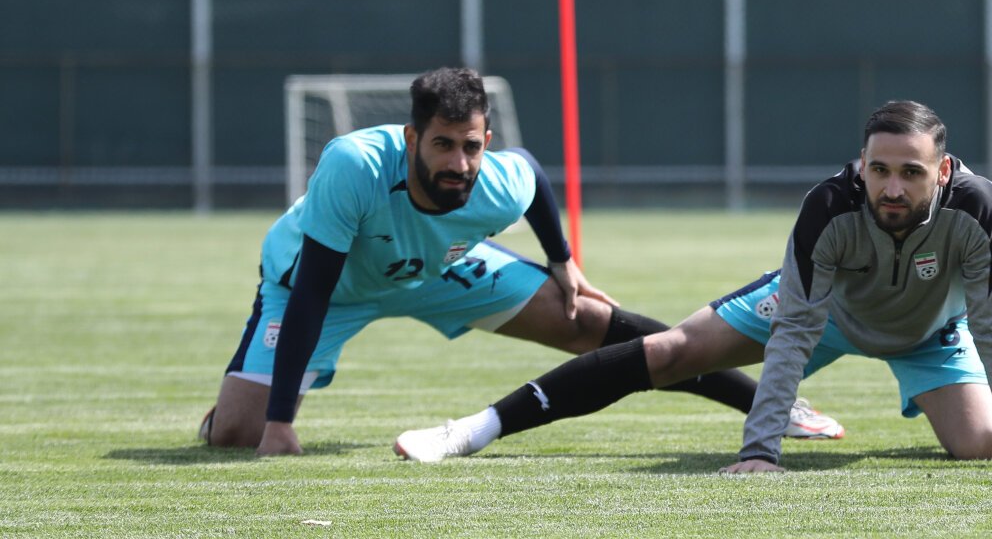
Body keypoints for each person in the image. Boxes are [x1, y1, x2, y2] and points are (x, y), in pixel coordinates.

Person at [395, 100, 992, 474]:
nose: (892, 187)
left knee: (985, 448)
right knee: (670, 352)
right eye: (879, 169)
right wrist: (759, 453)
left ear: (943, 171)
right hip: (825, 313)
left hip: (930, 334)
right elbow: (795, 327)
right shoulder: (830, 206)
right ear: (862, 164)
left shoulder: (978, 208)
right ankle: (477, 429)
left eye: (911, 172)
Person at [198, 67, 766, 456]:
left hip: (435, 271)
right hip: (331, 288)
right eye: (442, 145)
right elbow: (313, 293)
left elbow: (532, 174)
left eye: (471, 147)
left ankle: (763, 403)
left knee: (584, 318)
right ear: (411, 138)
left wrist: (562, 260)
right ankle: (225, 413)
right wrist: (279, 423)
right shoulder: (354, 166)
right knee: (238, 434)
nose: (459, 164)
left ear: (485, 141)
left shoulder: (495, 180)